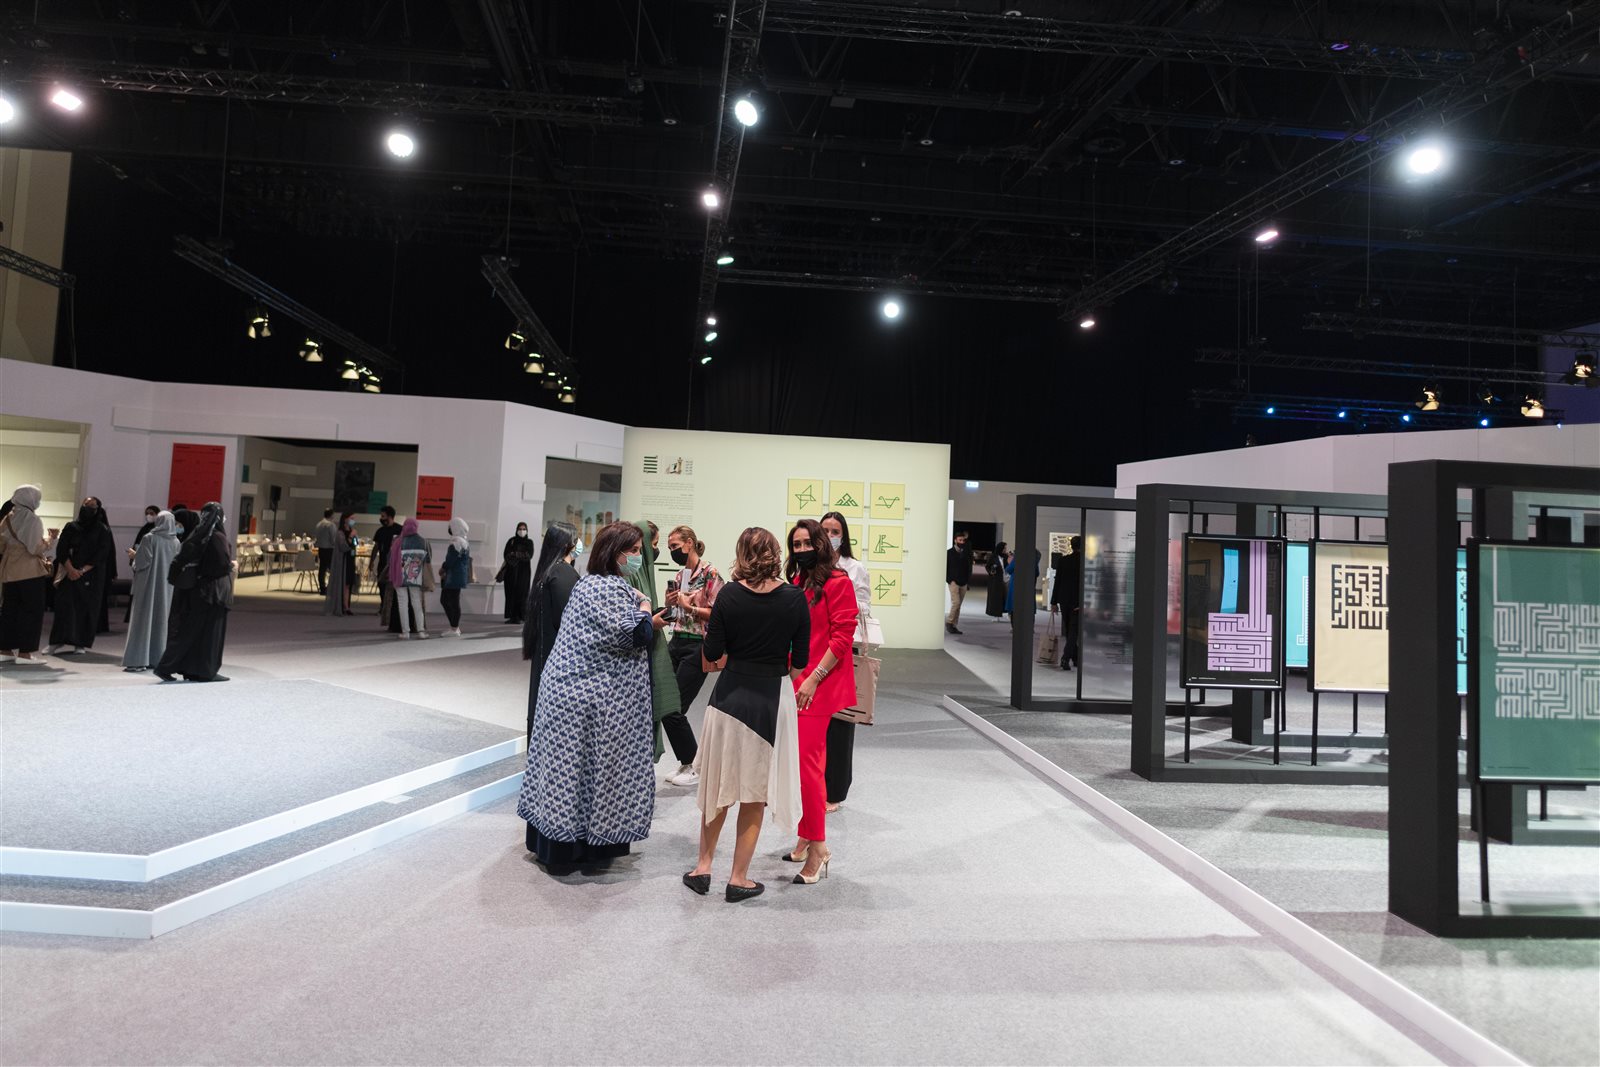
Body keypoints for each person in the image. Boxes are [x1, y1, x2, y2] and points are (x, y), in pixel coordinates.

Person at [517, 520, 657, 874]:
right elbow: (636, 635)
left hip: (567, 694)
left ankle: (558, 846)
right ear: (615, 553)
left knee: (566, 773)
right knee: (589, 773)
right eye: (634, 551)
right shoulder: (608, 588)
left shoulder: (587, 584)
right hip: (587, 700)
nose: (638, 557)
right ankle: (582, 850)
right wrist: (645, 606)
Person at [683, 527, 808, 903]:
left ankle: (702, 868)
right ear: (776, 554)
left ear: (741, 555)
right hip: (770, 701)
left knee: (718, 787)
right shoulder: (794, 598)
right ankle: (738, 878)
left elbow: (713, 651)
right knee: (754, 794)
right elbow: (800, 660)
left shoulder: (729, 595)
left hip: (728, 698)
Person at [783, 518, 857, 886]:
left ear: (821, 544)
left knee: (807, 767)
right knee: (802, 765)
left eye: (806, 543)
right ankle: (805, 834)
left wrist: (813, 678)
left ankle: (819, 847)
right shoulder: (799, 581)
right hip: (796, 680)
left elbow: (843, 637)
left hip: (819, 684)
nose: (801, 550)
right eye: (795, 545)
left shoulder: (838, 581)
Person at [662, 524, 722, 789]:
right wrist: (670, 604)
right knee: (665, 704)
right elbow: (676, 614)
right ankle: (688, 762)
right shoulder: (680, 575)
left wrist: (692, 608)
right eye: (670, 548)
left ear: (689, 543)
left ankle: (693, 764)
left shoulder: (710, 573)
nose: (672, 551)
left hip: (697, 645)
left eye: (675, 546)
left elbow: (718, 613)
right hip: (676, 640)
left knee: (674, 707)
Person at [819, 511, 869, 814]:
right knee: (810, 722)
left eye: (835, 531)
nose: (829, 535)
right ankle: (809, 784)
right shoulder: (810, 564)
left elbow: (864, 606)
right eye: (825, 529)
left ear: (843, 535)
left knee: (839, 723)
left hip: (841, 648)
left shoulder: (855, 568)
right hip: (812, 648)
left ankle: (835, 791)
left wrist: (839, 596)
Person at [155, 501, 233, 682]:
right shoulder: (217, 537)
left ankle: (185, 668)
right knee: (209, 633)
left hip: (196, 591)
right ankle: (205, 670)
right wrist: (231, 566)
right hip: (213, 593)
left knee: (190, 631)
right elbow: (221, 565)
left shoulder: (197, 535)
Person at [626, 520, 680, 766]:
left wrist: (662, 610)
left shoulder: (643, 572)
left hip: (644, 655)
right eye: (654, 544)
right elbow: (631, 622)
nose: (654, 550)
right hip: (633, 662)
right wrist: (651, 622)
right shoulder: (630, 575)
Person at [522, 521, 580, 742]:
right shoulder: (563, 574)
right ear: (567, 544)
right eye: (576, 540)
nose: (579, 544)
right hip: (559, 657)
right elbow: (569, 620)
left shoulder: (548, 571)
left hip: (546, 653)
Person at [0, 485, 56, 666]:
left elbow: (1, 545)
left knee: (9, 611)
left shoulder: (8, 517)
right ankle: (25, 654)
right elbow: (35, 548)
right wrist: (50, 540)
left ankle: (5, 650)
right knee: (32, 611)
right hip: (29, 571)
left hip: (9, 570)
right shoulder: (32, 519)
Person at [47, 497, 111, 655]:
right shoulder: (71, 527)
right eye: (86, 505)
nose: (88, 509)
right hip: (69, 572)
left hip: (91, 575)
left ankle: (80, 643)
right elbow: (62, 549)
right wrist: (71, 569)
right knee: (64, 607)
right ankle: (57, 641)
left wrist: (81, 571)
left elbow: (102, 554)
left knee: (86, 609)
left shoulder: (102, 530)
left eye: (92, 506)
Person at [122, 510, 180, 672]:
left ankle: (138, 660)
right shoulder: (176, 542)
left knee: (142, 620)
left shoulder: (149, 538)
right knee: (160, 621)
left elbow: (142, 563)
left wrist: (134, 556)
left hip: (148, 586)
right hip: (166, 588)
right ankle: (156, 658)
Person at [390, 517, 431, 638]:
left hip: (399, 576)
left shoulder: (398, 541)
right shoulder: (423, 541)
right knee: (417, 602)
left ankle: (405, 632)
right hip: (416, 576)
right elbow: (428, 559)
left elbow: (390, 559)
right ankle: (421, 631)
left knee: (402, 603)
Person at [1052, 536, 1084, 671]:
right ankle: (1065, 658)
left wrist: (1054, 602)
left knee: (1070, 630)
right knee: (1073, 632)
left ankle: (1075, 658)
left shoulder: (1063, 560)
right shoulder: (1084, 562)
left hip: (1064, 600)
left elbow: (1057, 581)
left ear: (1071, 546)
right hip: (1077, 601)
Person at [439, 517, 473, 636]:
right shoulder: (463, 541)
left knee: (449, 601)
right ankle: (454, 627)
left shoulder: (456, 542)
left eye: (451, 526)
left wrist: (443, 568)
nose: (449, 529)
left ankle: (454, 628)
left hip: (453, 576)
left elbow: (450, 560)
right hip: (458, 575)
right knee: (451, 600)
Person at [371, 506, 401, 627]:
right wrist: (371, 561)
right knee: (382, 586)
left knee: (393, 588)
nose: (381, 518)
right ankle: (383, 607)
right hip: (383, 563)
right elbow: (376, 547)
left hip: (395, 564)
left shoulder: (400, 529)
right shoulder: (380, 531)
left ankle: (392, 610)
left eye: (383, 516)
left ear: (390, 516)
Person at [501, 522, 535, 624]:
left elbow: (529, 555)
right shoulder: (511, 541)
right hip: (511, 572)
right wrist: (519, 554)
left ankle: (521, 616)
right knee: (510, 594)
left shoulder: (529, 542)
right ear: (516, 530)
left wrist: (515, 554)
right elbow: (506, 555)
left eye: (524, 529)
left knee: (522, 593)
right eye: (520, 529)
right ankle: (512, 616)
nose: (522, 531)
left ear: (527, 530)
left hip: (523, 573)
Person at [323, 512, 355, 617]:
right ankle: (343, 606)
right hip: (343, 560)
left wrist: (354, 539)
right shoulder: (340, 533)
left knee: (348, 584)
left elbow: (354, 545)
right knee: (343, 583)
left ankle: (346, 606)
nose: (353, 521)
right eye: (351, 518)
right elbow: (343, 547)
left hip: (350, 559)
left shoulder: (352, 531)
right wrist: (351, 537)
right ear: (345, 519)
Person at [946, 529, 972, 635]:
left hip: (963, 582)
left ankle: (954, 625)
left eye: (963, 540)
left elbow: (968, 567)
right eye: (959, 540)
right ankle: (949, 622)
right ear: (955, 540)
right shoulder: (949, 553)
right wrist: (949, 579)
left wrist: (967, 580)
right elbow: (946, 567)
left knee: (959, 605)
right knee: (956, 603)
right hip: (953, 582)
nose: (961, 542)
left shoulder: (965, 553)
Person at [314, 508, 336, 596]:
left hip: (321, 549)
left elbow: (316, 537)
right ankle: (331, 587)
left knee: (322, 569)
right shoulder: (330, 525)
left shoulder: (319, 524)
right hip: (329, 549)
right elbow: (333, 539)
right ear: (332, 515)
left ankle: (322, 588)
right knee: (332, 569)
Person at [985, 541, 1010, 619]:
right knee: (997, 598)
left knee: (1007, 597)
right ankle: (996, 614)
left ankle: (1009, 614)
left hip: (1006, 579)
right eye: (1004, 548)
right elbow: (987, 566)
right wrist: (991, 572)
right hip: (996, 580)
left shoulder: (1006, 557)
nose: (1005, 550)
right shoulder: (993, 556)